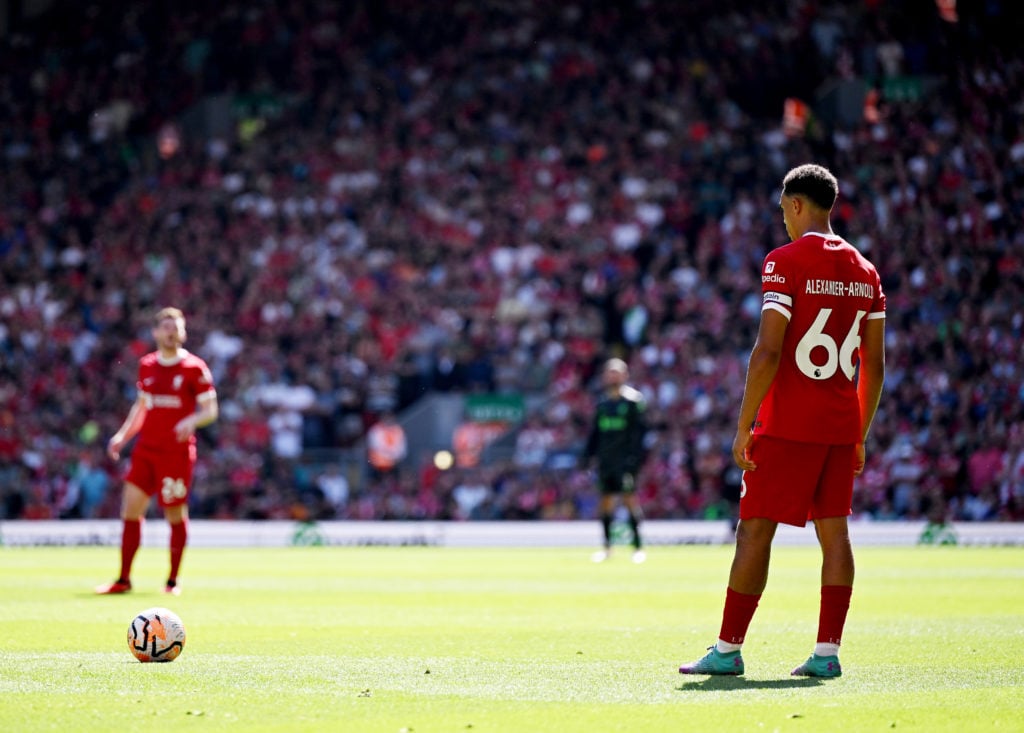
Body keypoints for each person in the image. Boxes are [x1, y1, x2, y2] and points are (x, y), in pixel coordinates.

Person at [679, 164, 885, 678]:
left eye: (783, 212)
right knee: (835, 536)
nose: (784, 223)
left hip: (790, 423)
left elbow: (768, 351)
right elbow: (875, 365)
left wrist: (744, 424)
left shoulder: (784, 261)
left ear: (796, 204)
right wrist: (859, 433)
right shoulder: (866, 270)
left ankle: (727, 650)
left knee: (754, 533)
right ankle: (827, 653)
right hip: (840, 424)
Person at [96, 307, 218, 595]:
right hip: (146, 451)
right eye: (165, 326)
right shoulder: (147, 365)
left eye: (175, 326)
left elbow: (211, 410)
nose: (170, 331)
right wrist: (122, 437)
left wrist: (192, 419)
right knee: (130, 510)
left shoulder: (194, 368)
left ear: (183, 332)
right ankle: (123, 579)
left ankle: (172, 581)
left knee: (174, 514)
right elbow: (141, 407)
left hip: (175, 454)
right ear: (155, 332)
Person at [583, 357, 649, 563]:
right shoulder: (601, 403)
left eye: (617, 372)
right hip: (606, 461)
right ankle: (607, 548)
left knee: (630, 500)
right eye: (610, 372)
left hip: (625, 461)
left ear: (625, 375)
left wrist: (635, 461)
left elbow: (640, 435)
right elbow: (595, 433)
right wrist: (588, 456)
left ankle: (638, 548)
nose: (613, 376)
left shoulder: (633, 402)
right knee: (605, 503)